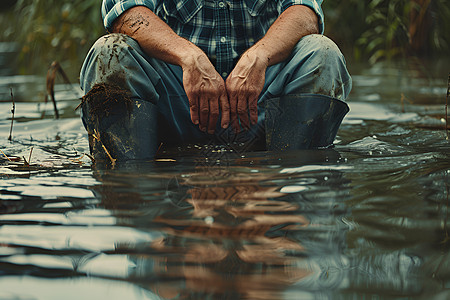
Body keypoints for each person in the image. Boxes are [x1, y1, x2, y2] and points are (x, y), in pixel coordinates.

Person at [79, 0, 352, 161]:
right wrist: (189, 57)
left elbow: (304, 12)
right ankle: (130, 188)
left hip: (262, 106)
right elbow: (125, 12)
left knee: (322, 54)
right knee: (109, 53)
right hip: (176, 105)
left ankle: (294, 187)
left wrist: (260, 55)